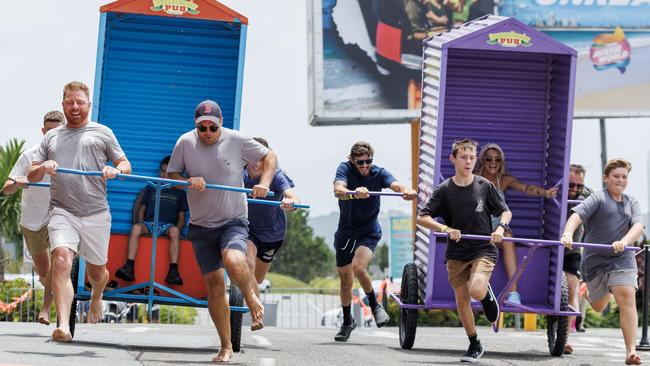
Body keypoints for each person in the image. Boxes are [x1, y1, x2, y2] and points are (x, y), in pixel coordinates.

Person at [167, 99, 274, 363]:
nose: (206, 133)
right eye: (201, 128)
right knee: (215, 288)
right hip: (201, 225)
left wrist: (263, 182)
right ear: (195, 126)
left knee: (234, 259)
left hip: (233, 219)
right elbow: (172, 175)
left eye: (211, 128)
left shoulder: (237, 140)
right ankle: (225, 346)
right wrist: (188, 180)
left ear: (221, 123)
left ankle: (251, 296)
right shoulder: (185, 142)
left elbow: (269, 156)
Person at [28, 81, 131, 342]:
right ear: (63, 105)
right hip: (63, 211)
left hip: (96, 212)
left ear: (88, 105)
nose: (75, 107)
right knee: (61, 258)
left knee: (98, 274)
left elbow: (124, 163)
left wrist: (116, 169)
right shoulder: (52, 136)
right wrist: (43, 168)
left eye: (80, 102)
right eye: (70, 102)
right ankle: (63, 324)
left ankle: (97, 295)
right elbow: (31, 173)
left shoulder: (103, 132)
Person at [417, 138, 511, 363]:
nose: (468, 162)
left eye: (471, 158)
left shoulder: (484, 186)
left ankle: (486, 294)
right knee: (462, 300)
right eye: (464, 157)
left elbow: (505, 211)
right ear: (453, 159)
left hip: (482, 248)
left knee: (476, 289)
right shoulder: (445, 189)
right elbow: (422, 217)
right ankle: (474, 343)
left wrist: (500, 227)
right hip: (457, 253)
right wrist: (445, 228)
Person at [562, 158, 645, 366]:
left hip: (622, 258)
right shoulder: (597, 198)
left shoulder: (631, 201)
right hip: (595, 261)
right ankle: (591, 294)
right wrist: (568, 234)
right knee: (598, 306)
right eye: (616, 176)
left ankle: (630, 352)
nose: (620, 180)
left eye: (624, 177)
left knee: (627, 297)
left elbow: (638, 226)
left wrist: (624, 242)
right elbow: (576, 216)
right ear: (606, 178)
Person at [332, 141, 417, 342]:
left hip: (368, 232)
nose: (364, 165)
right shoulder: (344, 169)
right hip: (346, 232)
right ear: (352, 161)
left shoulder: (378, 173)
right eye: (360, 162)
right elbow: (338, 189)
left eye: (368, 161)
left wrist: (406, 191)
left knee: (359, 267)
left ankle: (375, 305)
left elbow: (395, 184)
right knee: (345, 280)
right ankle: (347, 322)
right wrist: (353, 194)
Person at [473, 143, 558, 304]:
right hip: (478, 227)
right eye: (489, 159)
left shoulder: (504, 180)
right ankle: (475, 290)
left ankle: (513, 293)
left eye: (497, 160)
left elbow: (526, 188)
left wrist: (546, 193)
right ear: (482, 160)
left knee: (508, 236)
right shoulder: (473, 177)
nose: (493, 163)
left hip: (499, 228)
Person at [2, 111, 65, 325]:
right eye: (49, 131)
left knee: (59, 262)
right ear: (43, 132)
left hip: (58, 216)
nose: (52, 136)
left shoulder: (70, 155)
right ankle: (52, 292)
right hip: (32, 221)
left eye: (57, 132)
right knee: (44, 271)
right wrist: (18, 183)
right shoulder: (30, 155)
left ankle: (45, 310)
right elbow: (6, 189)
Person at [115, 156, 189, 285]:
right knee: (136, 228)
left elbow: (182, 217)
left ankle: (173, 271)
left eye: (169, 172)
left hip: (167, 226)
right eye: (162, 171)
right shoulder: (151, 188)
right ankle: (129, 266)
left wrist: (178, 230)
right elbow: (142, 208)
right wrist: (140, 223)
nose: (164, 174)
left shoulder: (180, 193)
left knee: (174, 232)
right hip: (149, 224)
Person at [243, 138, 299, 301]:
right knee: (247, 264)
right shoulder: (240, 174)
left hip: (272, 234)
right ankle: (256, 310)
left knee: (258, 279)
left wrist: (291, 203)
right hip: (248, 229)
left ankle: (247, 292)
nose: (256, 163)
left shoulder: (277, 176)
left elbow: (293, 197)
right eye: (252, 157)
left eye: (261, 158)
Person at [563, 163, 594, 353]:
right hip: (550, 244)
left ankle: (565, 337)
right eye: (571, 185)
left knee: (573, 287)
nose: (574, 190)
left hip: (572, 249)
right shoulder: (555, 189)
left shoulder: (587, 195)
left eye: (579, 186)